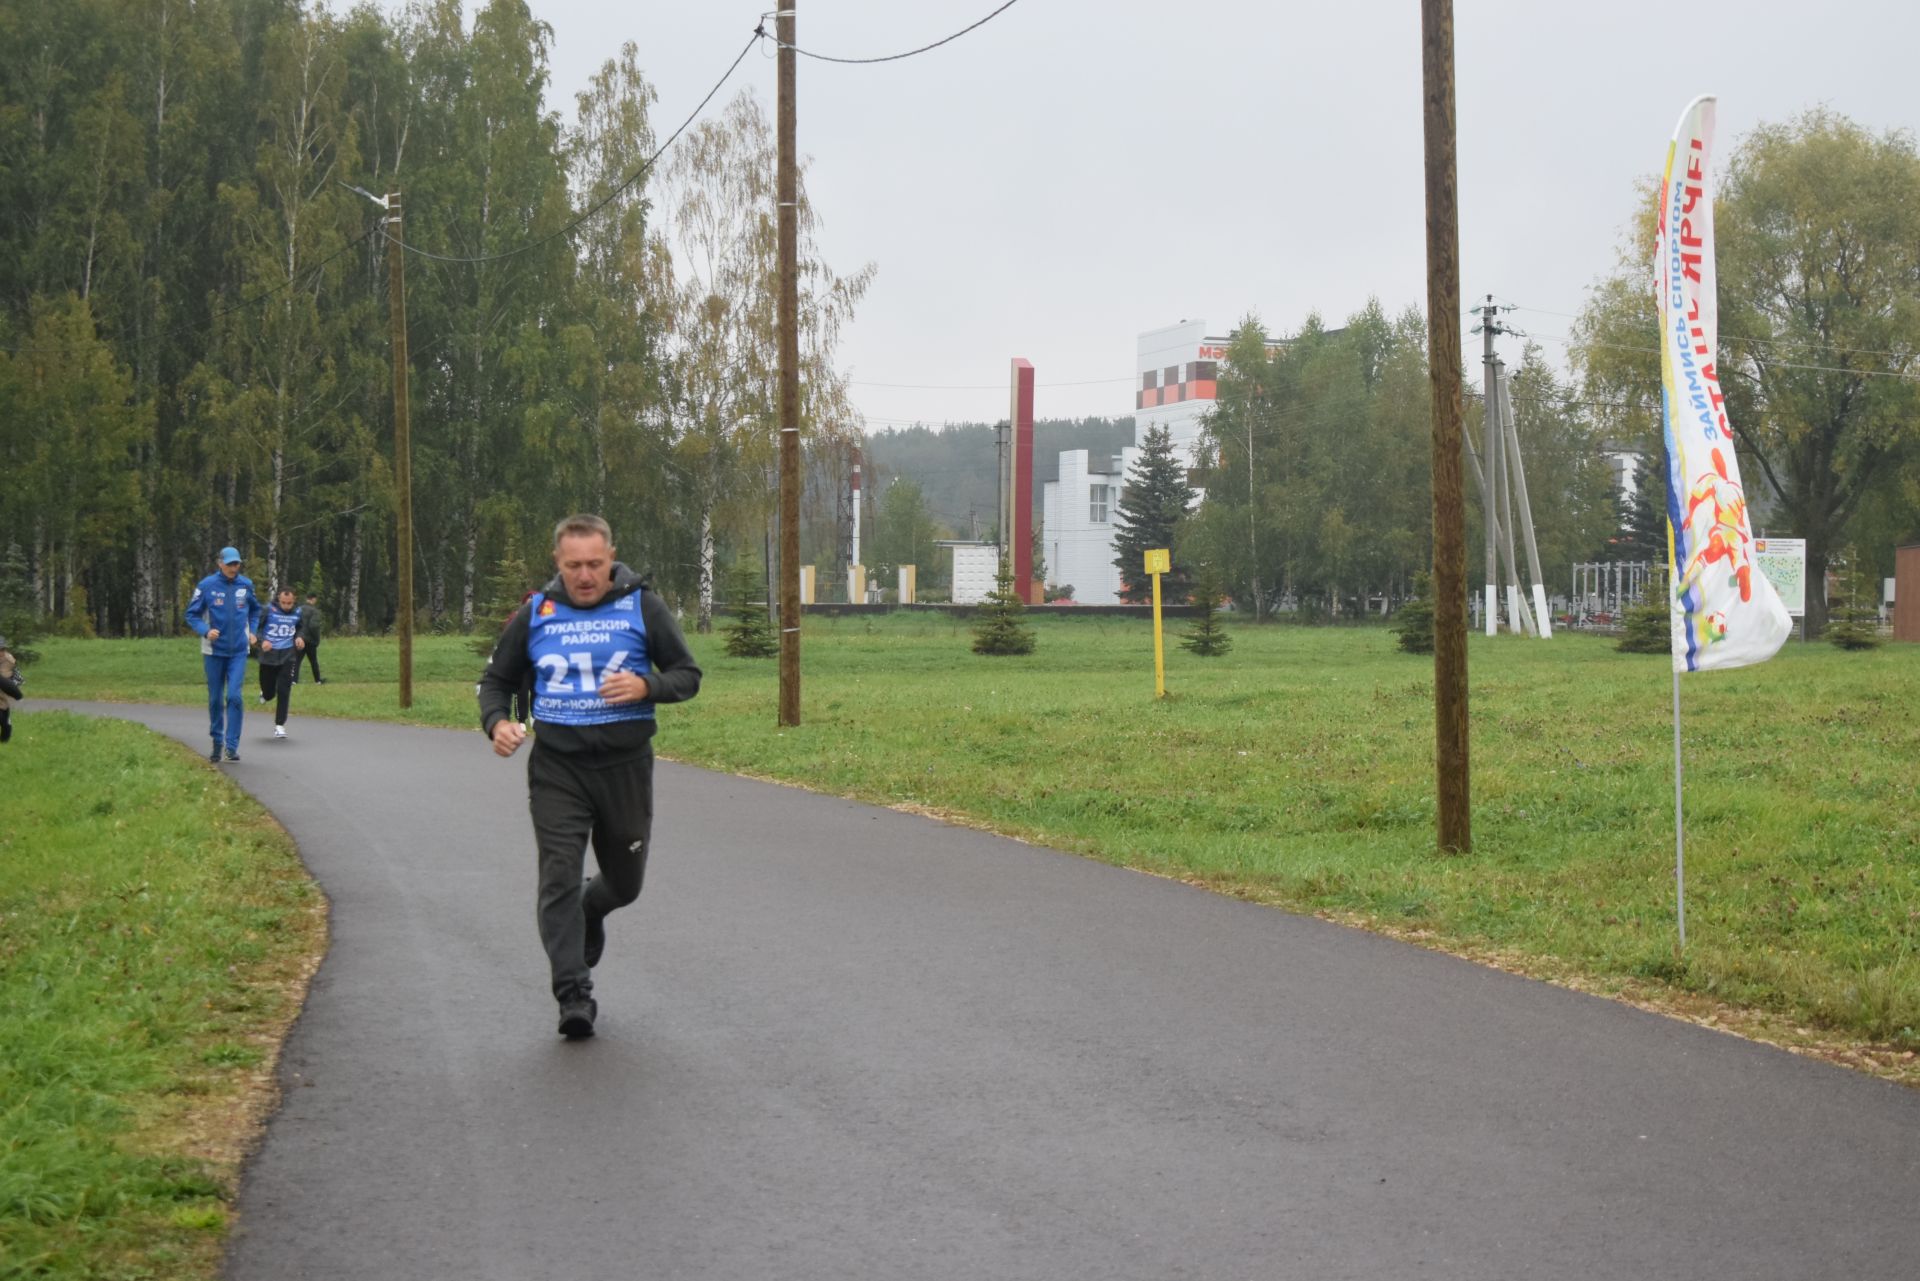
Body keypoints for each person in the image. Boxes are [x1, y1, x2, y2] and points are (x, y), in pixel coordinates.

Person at [477, 514, 702, 1039]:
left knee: (625, 885)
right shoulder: (538, 612)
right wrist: (499, 722)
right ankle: (574, 995)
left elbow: (687, 676)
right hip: (558, 768)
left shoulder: (640, 605)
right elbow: (496, 681)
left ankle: (590, 905)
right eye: (574, 565)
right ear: (558, 563)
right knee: (557, 875)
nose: (584, 575)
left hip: (624, 767)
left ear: (611, 558)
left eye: (595, 565)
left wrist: (647, 687)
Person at [186, 547, 262, 762]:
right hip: (213, 651)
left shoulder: (245, 585)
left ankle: (231, 746)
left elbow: (256, 610)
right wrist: (205, 631)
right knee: (216, 699)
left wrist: (253, 632)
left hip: (238, 650)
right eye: (229, 564)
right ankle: (217, 741)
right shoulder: (206, 585)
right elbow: (191, 614)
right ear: (220, 563)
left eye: (236, 564)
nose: (233, 568)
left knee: (234, 697)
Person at [255, 586, 310, 739]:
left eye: (289, 603)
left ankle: (280, 725)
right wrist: (262, 641)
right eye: (283, 603)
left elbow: (300, 628)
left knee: (284, 690)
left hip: (288, 656)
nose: (286, 606)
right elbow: (256, 628)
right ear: (279, 599)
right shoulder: (268, 610)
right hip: (268, 656)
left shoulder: (298, 612)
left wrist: (299, 638)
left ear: (294, 601)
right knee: (269, 692)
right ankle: (265, 694)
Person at [298, 592, 326, 684]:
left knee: (297, 660)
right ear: (313, 599)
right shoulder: (314, 611)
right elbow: (313, 626)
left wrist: (297, 636)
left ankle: (293, 680)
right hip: (310, 640)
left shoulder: (299, 609)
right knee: (313, 661)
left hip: (300, 638)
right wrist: (316, 639)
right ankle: (317, 680)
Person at [0, 633, 21, 744]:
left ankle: (4, 741)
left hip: (4, 695)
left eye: (3, 649)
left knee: (4, 721)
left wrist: (12, 687)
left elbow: (18, 679)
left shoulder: (9, 661)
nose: (1, 652)